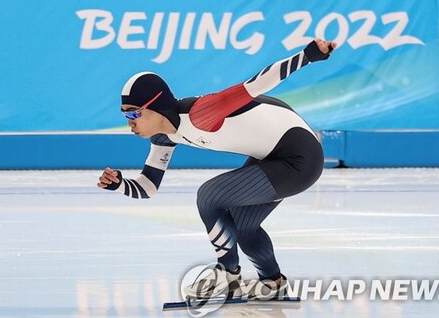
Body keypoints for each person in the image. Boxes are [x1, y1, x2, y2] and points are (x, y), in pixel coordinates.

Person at [97, 39, 336, 300]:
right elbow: (149, 186)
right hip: (271, 156)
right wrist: (119, 184)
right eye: (125, 116)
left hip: (300, 158)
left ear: (155, 106)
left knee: (210, 196)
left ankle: (227, 273)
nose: (129, 123)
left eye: (133, 114)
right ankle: (272, 283)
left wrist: (308, 55)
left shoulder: (201, 113)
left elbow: (257, 84)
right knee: (244, 227)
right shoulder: (163, 136)